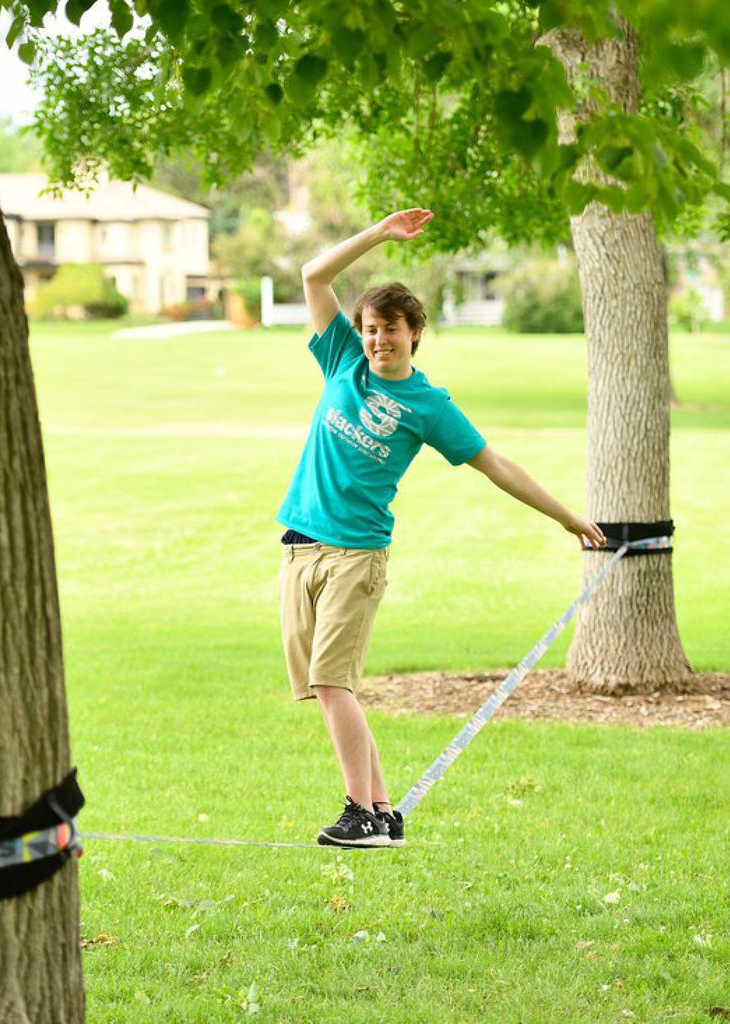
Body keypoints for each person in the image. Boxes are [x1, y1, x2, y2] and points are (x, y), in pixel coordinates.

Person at [277, 207, 606, 849]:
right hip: (297, 546)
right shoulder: (341, 360)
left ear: (415, 332)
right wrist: (377, 234)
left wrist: (566, 515)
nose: (378, 341)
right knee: (326, 688)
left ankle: (360, 813)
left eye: (391, 330)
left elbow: (494, 464)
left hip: (355, 554)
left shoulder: (428, 405)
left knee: (331, 682)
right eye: (371, 330)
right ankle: (382, 812)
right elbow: (314, 276)